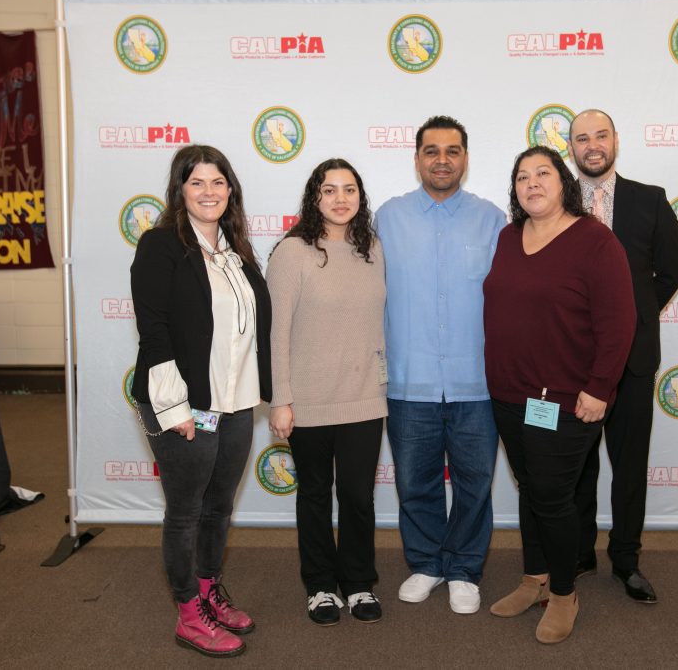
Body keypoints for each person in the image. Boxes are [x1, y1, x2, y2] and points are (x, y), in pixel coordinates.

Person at [484, 146, 636, 644]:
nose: (532, 184)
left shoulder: (595, 241)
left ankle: (565, 593)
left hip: (567, 400)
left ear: (563, 181)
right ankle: (535, 579)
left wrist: (599, 389)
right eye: (522, 177)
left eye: (542, 173)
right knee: (532, 491)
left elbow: (619, 324)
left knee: (552, 497)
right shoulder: (509, 237)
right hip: (508, 394)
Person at [130, 144, 271, 657]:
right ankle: (188, 613)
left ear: (230, 190)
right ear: (180, 191)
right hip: (182, 404)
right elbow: (155, 331)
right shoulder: (161, 245)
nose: (208, 192)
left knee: (218, 509)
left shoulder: (236, 252)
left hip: (234, 402)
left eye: (217, 182)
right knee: (186, 512)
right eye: (197, 183)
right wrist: (174, 407)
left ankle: (210, 589)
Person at [374, 115, 504, 615]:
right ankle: (426, 562)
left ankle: (465, 568)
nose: (442, 160)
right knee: (415, 482)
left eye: (452, 150)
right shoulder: (387, 218)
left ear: (466, 159)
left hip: (478, 385)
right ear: (417, 159)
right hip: (409, 382)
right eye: (432, 150)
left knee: (475, 482)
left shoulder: (492, 220)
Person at [568, 109, 678, 603]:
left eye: (600, 135)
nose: (592, 145)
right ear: (570, 147)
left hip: (633, 360)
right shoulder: (557, 200)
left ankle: (627, 559)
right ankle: (578, 551)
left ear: (616, 140)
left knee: (630, 464)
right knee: (576, 465)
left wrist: (626, 322)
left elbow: (669, 272)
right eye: (581, 138)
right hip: (571, 361)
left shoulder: (651, 200)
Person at [266, 158, 387, 626]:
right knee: (315, 495)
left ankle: (358, 584)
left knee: (358, 496)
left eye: (350, 189)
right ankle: (319, 586)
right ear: (314, 197)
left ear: (360, 197)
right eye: (330, 190)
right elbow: (277, 333)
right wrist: (281, 398)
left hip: (364, 397)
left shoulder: (372, 248)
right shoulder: (293, 252)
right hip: (307, 402)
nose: (341, 199)